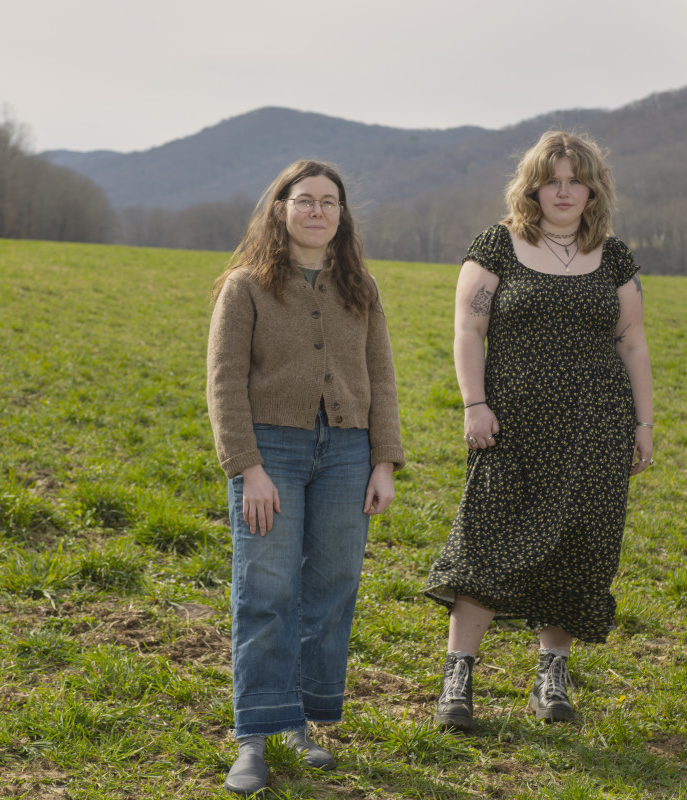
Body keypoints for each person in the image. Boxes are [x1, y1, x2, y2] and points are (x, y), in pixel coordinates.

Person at [424, 130, 654, 729]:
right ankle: (457, 680)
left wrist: (644, 421)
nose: (563, 191)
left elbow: (632, 341)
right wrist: (474, 403)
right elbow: (468, 331)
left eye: (575, 179)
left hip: (597, 428)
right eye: (551, 179)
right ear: (532, 186)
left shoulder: (614, 254)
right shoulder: (498, 245)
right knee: (486, 542)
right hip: (511, 426)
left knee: (580, 547)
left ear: (593, 188)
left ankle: (551, 678)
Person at [206, 159, 404, 795]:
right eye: (304, 200)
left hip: (347, 454)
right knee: (266, 588)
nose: (317, 211)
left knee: (332, 586)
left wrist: (382, 460)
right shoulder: (245, 287)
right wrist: (249, 469)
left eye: (329, 202)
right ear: (281, 209)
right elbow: (224, 384)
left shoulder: (360, 288)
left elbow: (382, 378)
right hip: (272, 455)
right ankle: (252, 738)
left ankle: (297, 723)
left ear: (342, 216)